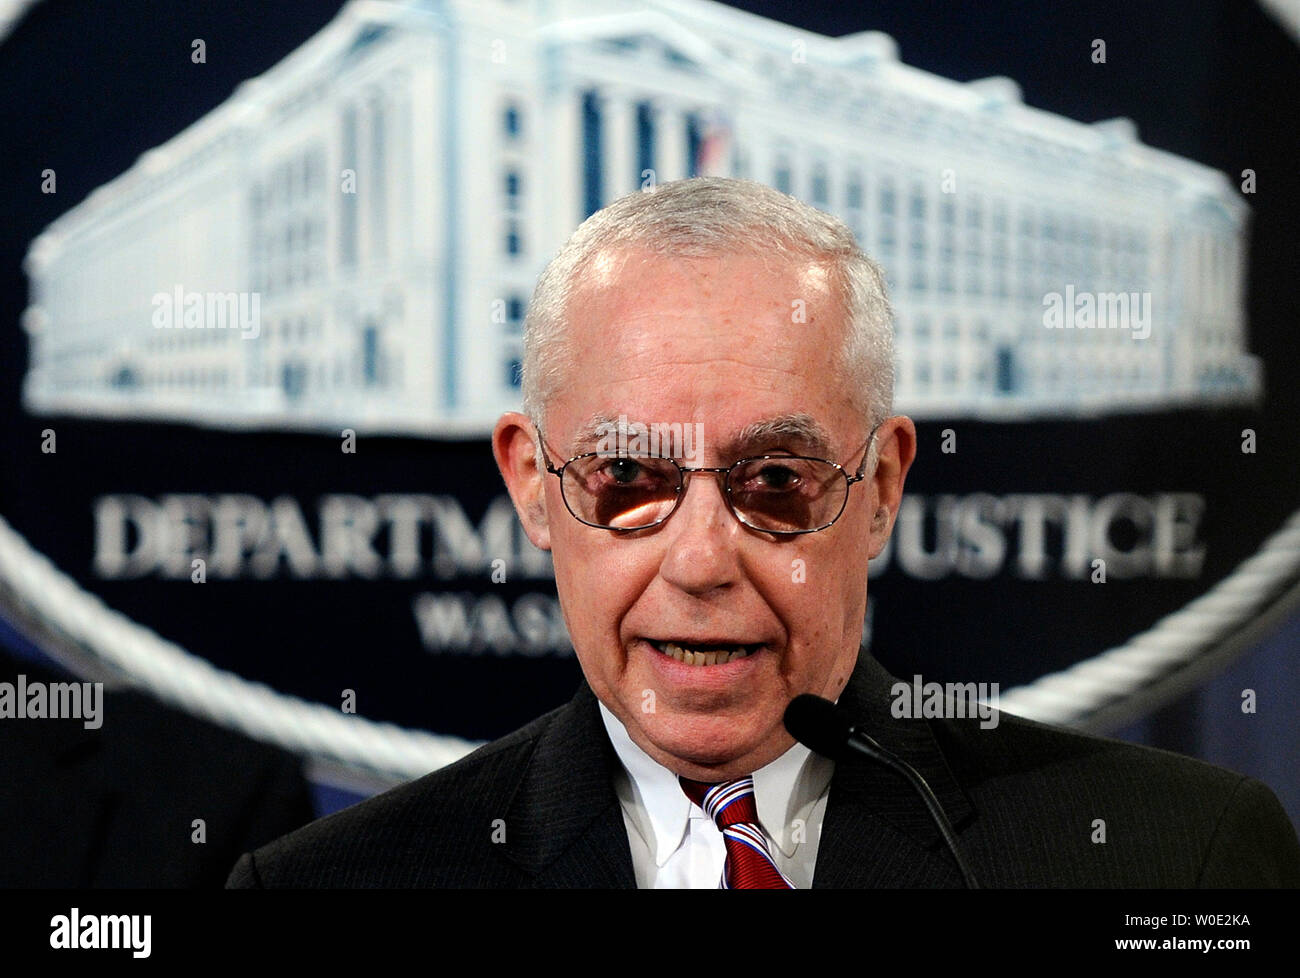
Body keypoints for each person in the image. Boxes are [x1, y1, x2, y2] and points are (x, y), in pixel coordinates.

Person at [227, 177, 1300, 888]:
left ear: (879, 486)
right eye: (629, 477)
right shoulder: (329, 889)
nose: (699, 562)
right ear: (534, 485)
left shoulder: (1172, 863)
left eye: (776, 479)